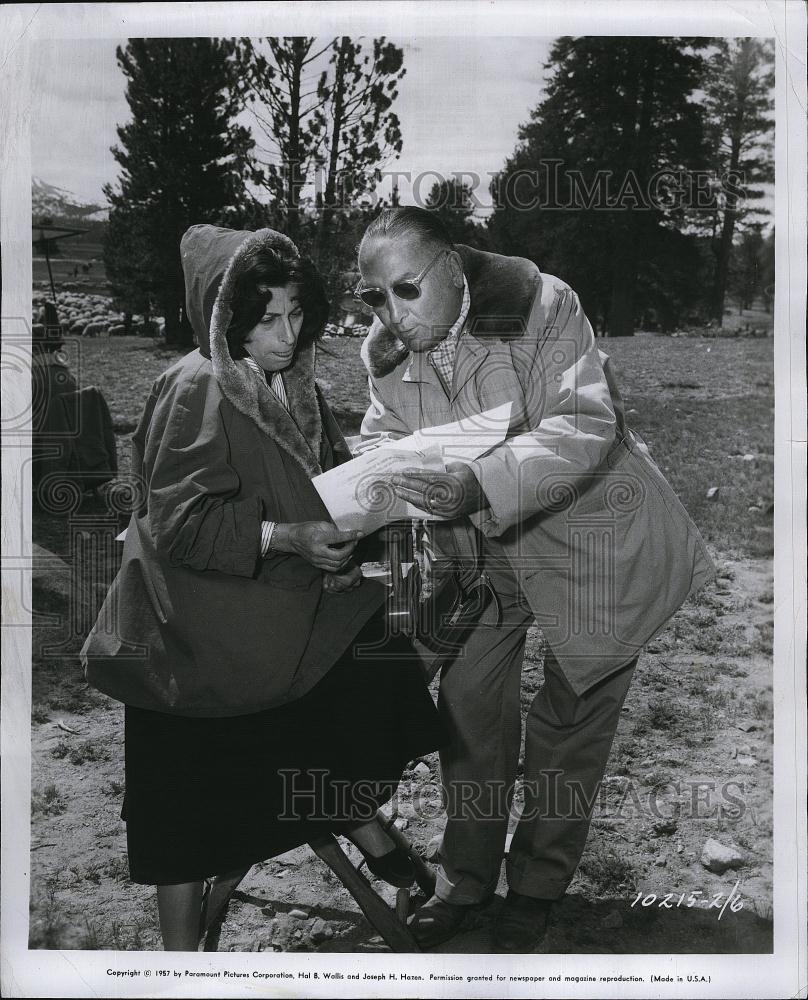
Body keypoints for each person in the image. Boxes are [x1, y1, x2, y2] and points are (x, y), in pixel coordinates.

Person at [355, 207, 715, 951]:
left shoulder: (542, 304)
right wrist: (377, 478)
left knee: (569, 726)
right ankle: (465, 883)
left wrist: (475, 484)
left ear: (453, 269)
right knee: (468, 712)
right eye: (374, 297)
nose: (392, 313)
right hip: (487, 552)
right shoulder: (388, 356)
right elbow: (383, 435)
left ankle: (537, 887)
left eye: (407, 289)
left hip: (594, 540)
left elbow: (581, 423)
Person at [80, 224, 446, 951]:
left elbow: (325, 485)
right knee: (187, 805)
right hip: (196, 630)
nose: (288, 335)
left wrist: (359, 528)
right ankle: (180, 968)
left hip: (279, 608)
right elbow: (178, 522)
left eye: (297, 313)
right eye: (267, 319)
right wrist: (286, 537)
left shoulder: (294, 383)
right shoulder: (197, 384)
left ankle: (362, 826)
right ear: (225, 318)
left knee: (370, 676)